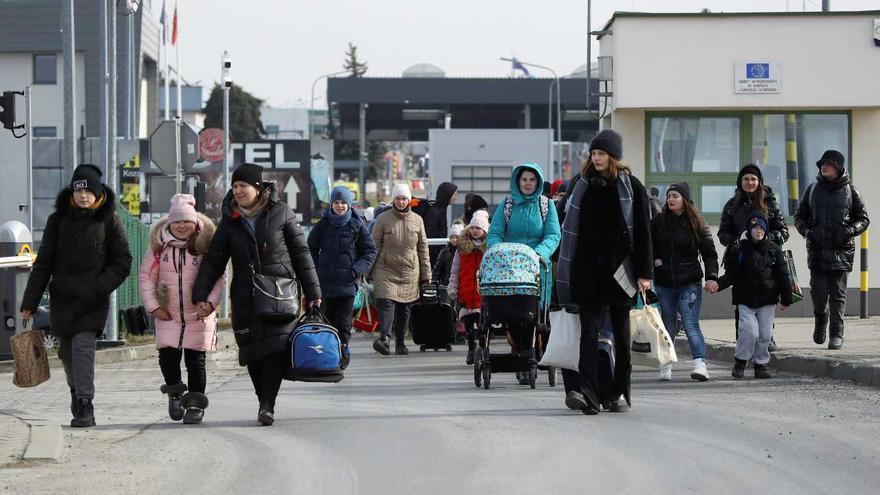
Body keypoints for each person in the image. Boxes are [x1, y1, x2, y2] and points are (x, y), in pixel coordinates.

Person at [193, 163, 321, 426]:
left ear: (258, 188)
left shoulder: (282, 213)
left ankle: (267, 404)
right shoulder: (230, 220)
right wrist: (201, 294)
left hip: (279, 293)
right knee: (252, 352)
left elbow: (301, 254)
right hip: (245, 295)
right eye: (235, 186)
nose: (238, 191)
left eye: (243, 186)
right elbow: (215, 260)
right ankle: (262, 398)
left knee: (274, 350)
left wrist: (313, 292)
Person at [20, 164, 133, 427]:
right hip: (63, 298)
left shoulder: (109, 219)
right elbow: (43, 263)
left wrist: (99, 287)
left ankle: (85, 405)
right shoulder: (57, 221)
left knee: (83, 350)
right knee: (67, 353)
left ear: (97, 193)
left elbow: (123, 261)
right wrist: (30, 303)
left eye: (88, 191)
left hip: (93, 300)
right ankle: (75, 391)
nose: (83, 196)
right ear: (72, 192)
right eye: (78, 190)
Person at [556, 129, 652, 415]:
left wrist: (645, 273)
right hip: (587, 270)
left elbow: (643, 232)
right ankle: (590, 395)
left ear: (613, 156)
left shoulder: (632, 187)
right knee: (589, 334)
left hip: (620, 272)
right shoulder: (581, 184)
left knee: (622, 339)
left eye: (601, 153)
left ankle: (616, 392)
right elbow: (565, 222)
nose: (596, 158)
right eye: (593, 153)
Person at [139, 194, 223, 424]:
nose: (182, 226)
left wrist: (211, 303)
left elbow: (218, 277)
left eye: (187, 221)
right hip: (168, 314)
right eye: (177, 221)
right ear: (169, 223)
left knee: (196, 360)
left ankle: (195, 404)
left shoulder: (205, 247)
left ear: (195, 223)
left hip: (198, 314)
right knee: (168, 357)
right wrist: (154, 307)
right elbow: (146, 278)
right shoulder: (158, 248)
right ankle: (175, 393)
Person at [487, 162, 561, 383]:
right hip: (509, 270)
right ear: (517, 182)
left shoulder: (546, 206)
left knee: (532, 316)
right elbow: (495, 233)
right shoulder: (507, 205)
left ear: (537, 182)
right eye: (524, 180)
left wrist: (538, 253)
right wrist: (501, 252)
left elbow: (553, 235)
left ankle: (531, 355)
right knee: (511, 314)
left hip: (535, 268)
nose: (528, 183)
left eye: (532, 180)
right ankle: (517, 353)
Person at [794, 150, 869, 349]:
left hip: (842, 251)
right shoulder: (811, 189)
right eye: (822, 164)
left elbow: (863, 219)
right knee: (818, 294)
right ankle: (821, 320)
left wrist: (848, 231)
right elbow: (799, 217)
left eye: (828, 164)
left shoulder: (851, 191)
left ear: (838, 167)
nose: (823, 167)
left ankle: (837, 333)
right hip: (817, 251)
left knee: (838, 295)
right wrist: (808, 232)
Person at [707, 212, 792, 379]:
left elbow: (783, 276)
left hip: (767, 300)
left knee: (765, 334)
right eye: (755, 228)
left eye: (761, 228)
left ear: (766, 230)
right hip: (745, 299)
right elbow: (732, 274)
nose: (758, 231)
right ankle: (741, 360)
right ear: (749, 230)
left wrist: (786, 298)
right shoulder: (740, 249)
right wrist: (718, 283)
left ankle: (761, 364)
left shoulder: (774, 250)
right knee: (749, 332)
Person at [650, 183, 718, 382]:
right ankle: (666, 364)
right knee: (667, 324)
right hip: (664, 282)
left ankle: (700, 364)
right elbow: (646, 245)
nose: (671, 199)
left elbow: (709, 253)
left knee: (690, 323)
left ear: (685, 200)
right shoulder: (659, 221)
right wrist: (654, 260)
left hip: (690, 281)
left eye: (675, 196)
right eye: (669, 195)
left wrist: (712, 276)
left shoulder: (697, 223)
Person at [718, 164, 789, 351]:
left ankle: (768, 337)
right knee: (742, 301)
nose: (750, 182)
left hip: (767, 261)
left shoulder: (770, 204)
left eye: (753, 179)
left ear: (759, 182)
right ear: (740, 182)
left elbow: (783, 231)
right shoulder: (731, 206)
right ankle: (742, 339)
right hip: (740, 262)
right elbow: (723, 233)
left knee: (767, 299)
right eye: (746, 179)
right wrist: (736, 241)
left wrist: (766, 239)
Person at [307, 185, 377, 369]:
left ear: (349, 204)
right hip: (326, 284)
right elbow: (310, 249)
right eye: (336, 202)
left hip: (347, 284)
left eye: (343, 202)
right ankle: (329, 353)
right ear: (331, 204)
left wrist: (356, 270)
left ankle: (343, 349)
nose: (339, 206)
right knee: (328, 320)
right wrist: (316, 269)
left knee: (344, 322)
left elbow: (370, 251)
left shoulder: (357, 224)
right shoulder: (323, 224)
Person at [370, 183, 431, 356]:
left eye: (404, 198)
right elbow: (374, 246)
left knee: (405, 307)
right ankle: (385, 338)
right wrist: (367, 271)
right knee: (386, 303)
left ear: (409, 200)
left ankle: (401, 343)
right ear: (393, 200)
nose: (401, 202)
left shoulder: (417, 220)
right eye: (398, 198)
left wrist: (426, 275)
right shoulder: (383, 219)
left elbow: (423, 248)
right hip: (385, 268)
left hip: (409, 270)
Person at [447, 210, 490, 365]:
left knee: (483, 324)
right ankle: (471, 347)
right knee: (467, 321)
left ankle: (483, 347)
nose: (474, 231)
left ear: (484, 230)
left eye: (478, 228)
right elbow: (455, 270)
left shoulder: (489, 248)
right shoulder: (462, 248)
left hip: (482, 292)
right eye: (472, 227)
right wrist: (453, 287)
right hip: (465, 290)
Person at [412, 182, 458, 267]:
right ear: (447, 195)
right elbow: (430, 236)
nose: (456, 198)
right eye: (454, 195)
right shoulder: (435, 212)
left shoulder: (441, 210)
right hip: (431, 260)